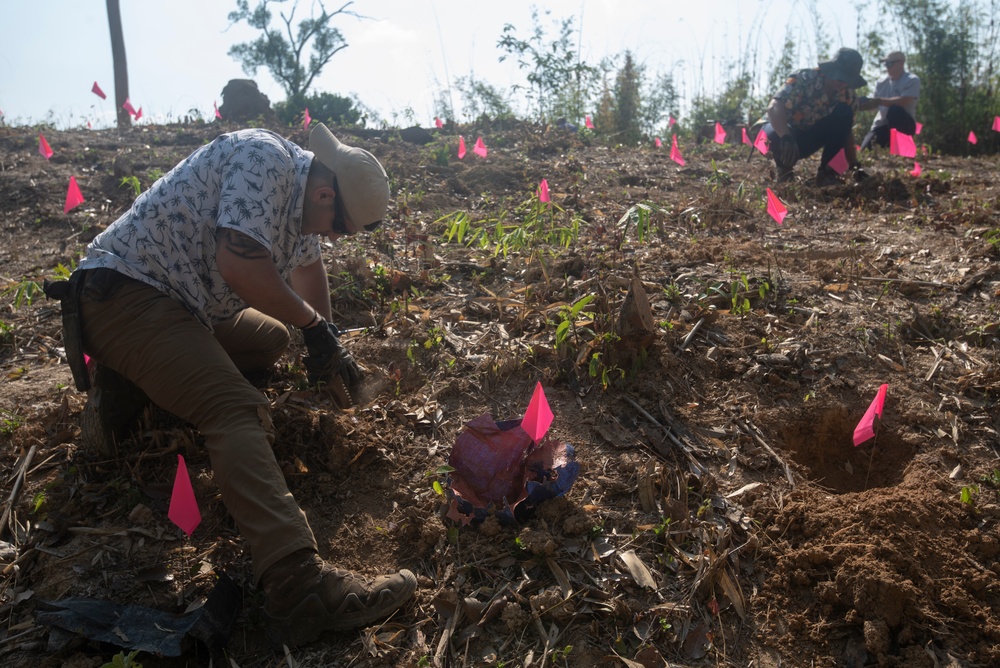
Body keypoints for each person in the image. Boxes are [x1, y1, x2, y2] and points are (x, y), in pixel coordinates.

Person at [50, 123, 416, 647]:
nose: (336, 238)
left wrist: (327, 346)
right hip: (125, 294)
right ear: (324, 194)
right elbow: (240, 267)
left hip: (180, 304)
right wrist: (312, 326)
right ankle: (298, 587)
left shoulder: (305, 197)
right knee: (234, 408)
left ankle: (132, 386)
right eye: (342, 228)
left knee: (269, 340)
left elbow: (309, 277)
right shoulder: (263, 161)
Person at [759, 47, 870, 186]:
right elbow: (775, 105)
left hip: (810, 139)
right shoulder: (804, 78)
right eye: (839, 75)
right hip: (784, 134)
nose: (841, 82)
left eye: (846, 79)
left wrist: (854, 166)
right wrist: (786, 137)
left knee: (844, 112)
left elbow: (846, 132)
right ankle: (784, 170)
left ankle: (827, 173)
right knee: (774, 135)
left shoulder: (847, 95)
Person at [859, 51, 920, 150]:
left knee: (895, 110)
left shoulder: (912, 80)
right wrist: (863, 104)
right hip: (882, 125)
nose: (887, 67)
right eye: (886, 64)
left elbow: (904, 101)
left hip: (904, 125)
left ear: (901, 63)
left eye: (890, 63)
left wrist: (879, 101)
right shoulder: (881, 83)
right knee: (865, 149)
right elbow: (874, 107)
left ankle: (902, 149)